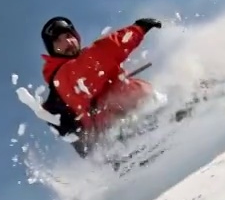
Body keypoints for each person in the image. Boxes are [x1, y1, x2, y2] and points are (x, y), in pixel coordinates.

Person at [39, 15, 162, 156]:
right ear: (53, 50)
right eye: (57, 41)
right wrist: (136, 30)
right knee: (125, 90)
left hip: (131, 118)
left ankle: (168, 110)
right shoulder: (61, 76)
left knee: (130, 86)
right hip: (116, 134)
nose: (67, 42)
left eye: (68, 35)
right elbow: (100, 57)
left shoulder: (79, 62)